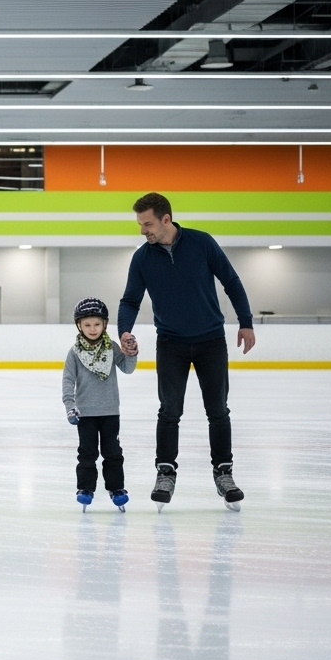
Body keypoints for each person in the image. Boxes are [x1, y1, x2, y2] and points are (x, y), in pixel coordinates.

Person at [118, 192, 252, 512]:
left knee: (217, 410)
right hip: (171, 344)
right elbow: (130, 300)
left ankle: (224, 473)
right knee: (169, 410)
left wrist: (246, 322)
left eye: (147, 223)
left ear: (166, 219)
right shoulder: (143, 258)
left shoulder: (201, 243)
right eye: (139, 224)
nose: (142, 231)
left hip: (211, 342)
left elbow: (231, 281)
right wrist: (124, 330)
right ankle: (165, 472)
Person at [62, 297, 136, 512]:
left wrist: (131, 353)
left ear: (104, 324)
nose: (92, 329)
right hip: (85, 413)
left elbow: (127, 368)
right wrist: (70, 406)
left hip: (110, 411)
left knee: (113, 452)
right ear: (79, 326)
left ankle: (117, 488)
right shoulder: (74, 352)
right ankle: (85, 489)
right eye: (87, 325)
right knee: (87, 453)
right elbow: (68, 380)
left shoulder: (111, 347)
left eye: (97, 324)